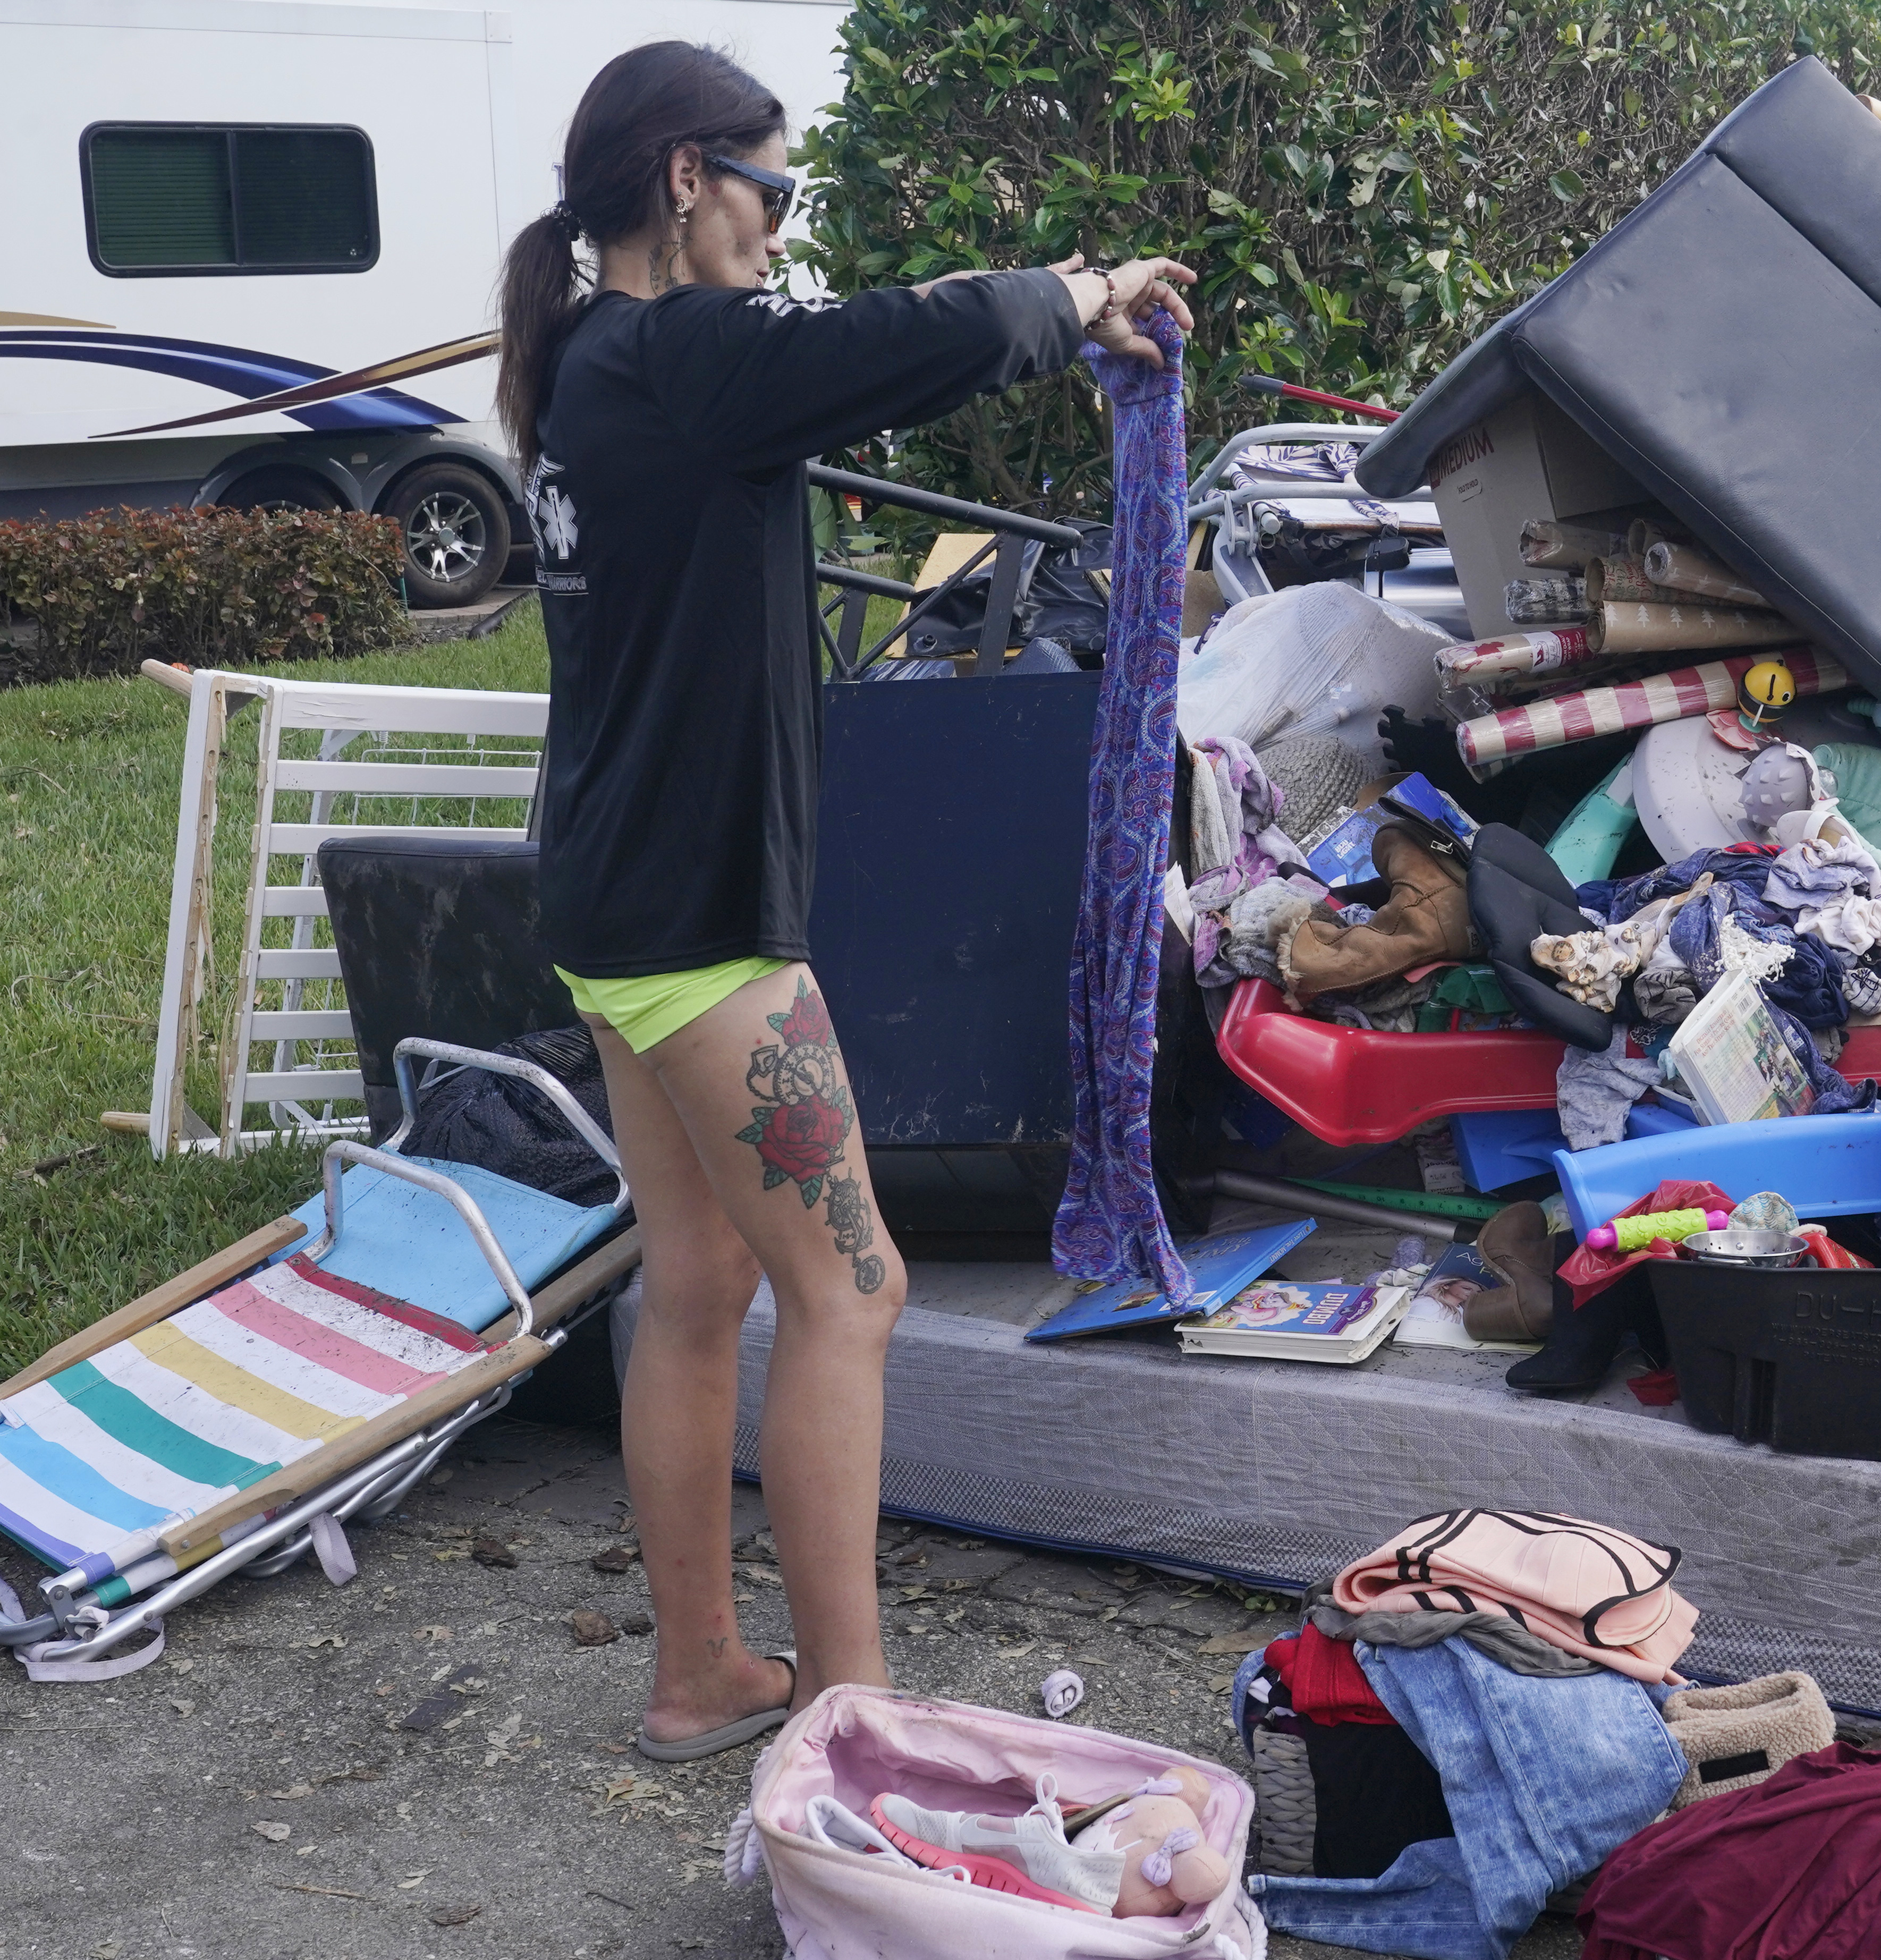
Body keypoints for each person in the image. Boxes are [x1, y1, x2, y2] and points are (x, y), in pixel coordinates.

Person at [493, 40, 1193, 1759]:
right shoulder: (679, 357)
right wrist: (1084, 288)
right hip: (703, 925)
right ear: (687, 180)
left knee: (703, 1274)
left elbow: (852, 343)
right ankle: (857, 1713)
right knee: (854, 1287)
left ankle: (703, 1675)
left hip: (610, 898)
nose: (778, 228)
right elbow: (902, 339)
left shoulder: (590, 364)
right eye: (773, 188)